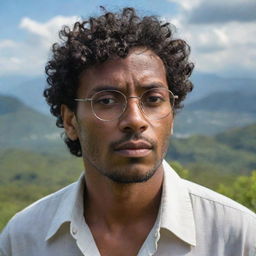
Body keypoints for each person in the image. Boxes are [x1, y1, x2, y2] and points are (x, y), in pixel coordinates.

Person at [0, 7, 255, 256]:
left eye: (153, 99)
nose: (135, 120)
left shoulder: (238, 238)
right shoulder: (23, 239)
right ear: (70, 122)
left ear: (172, 114)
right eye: (107, 101)